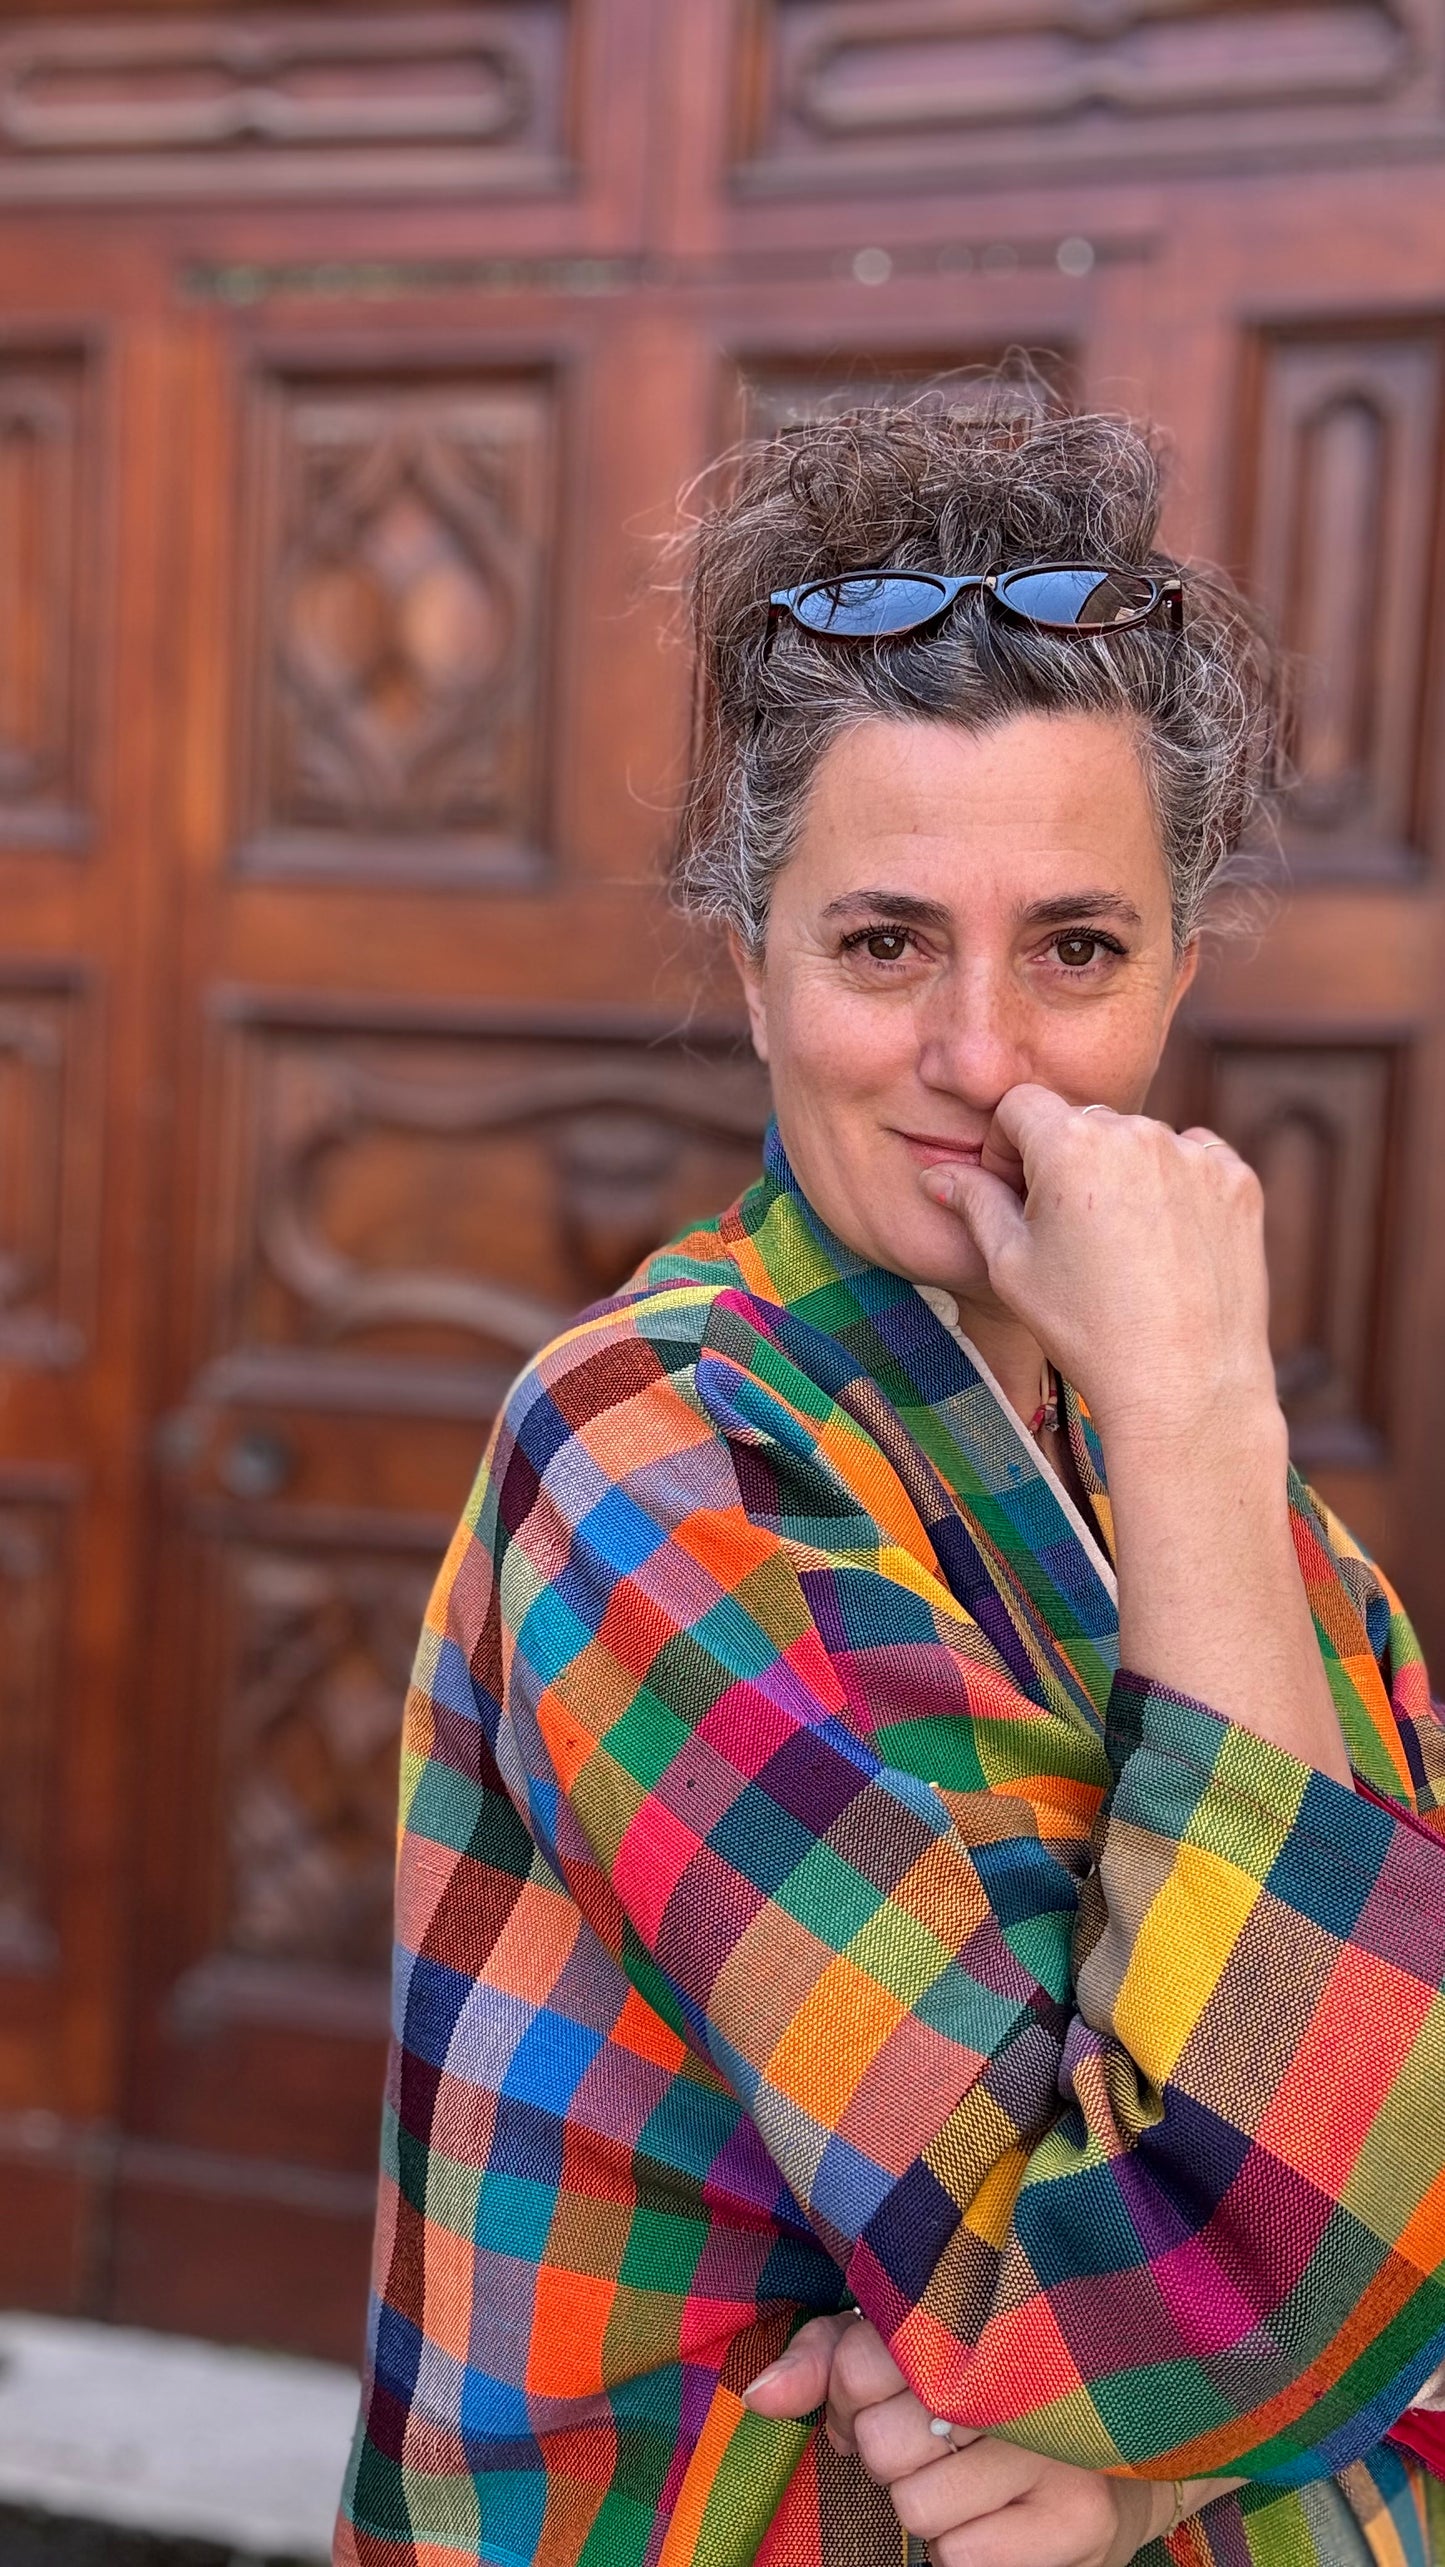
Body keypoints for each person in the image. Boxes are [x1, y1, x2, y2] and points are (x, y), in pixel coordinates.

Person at [335, 385, 1445, 2567]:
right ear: (751, 973)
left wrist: (1180, 2451)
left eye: (1076, 947)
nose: (979, 1053)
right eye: (882, 943)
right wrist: (1191, 2399)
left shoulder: (1188, 1466)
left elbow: (1307, 2252)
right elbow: (1134, 2298)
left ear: (1177, 978)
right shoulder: (658, 1451)